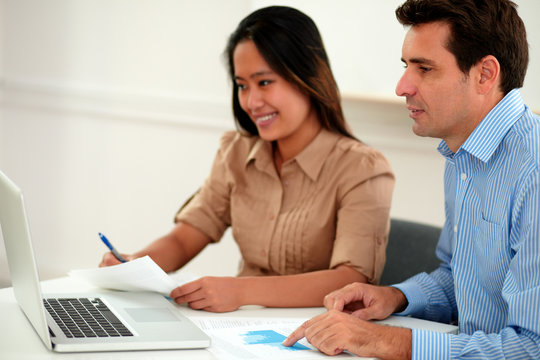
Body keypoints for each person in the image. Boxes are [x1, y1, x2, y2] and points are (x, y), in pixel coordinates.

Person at [283, 0, 540, 358]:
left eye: (425, 69)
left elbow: (532, 346)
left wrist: (379, 340)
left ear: (485, 75)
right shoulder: (463, 155)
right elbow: (464, 280)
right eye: (407, 66)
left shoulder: (534, 172)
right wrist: (397, 296)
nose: (402, 86)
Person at [100, 6, 394, 313]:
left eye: (264, 82)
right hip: (240, 329)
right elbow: (186, 238)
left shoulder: (363, 168)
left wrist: (241, 290)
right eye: (242, 86)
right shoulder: (236, 152)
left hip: (316, 336)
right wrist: (134, 265)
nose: (251, 102)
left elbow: (351, 279)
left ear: (306, 76)